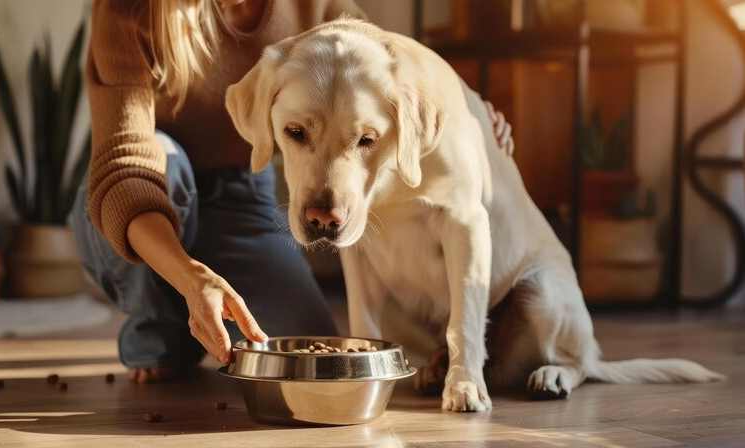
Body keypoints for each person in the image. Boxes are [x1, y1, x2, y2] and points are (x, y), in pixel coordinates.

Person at [72, 0, 515, 383]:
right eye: (297, 133)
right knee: (166, 161)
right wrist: (193, 278)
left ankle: (188, 316)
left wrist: (468, 108)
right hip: (152, 188)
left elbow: (381, 54)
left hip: (241, 195)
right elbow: (124, 169)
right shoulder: (127, 10)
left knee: (303, 346)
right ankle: (160, 322)